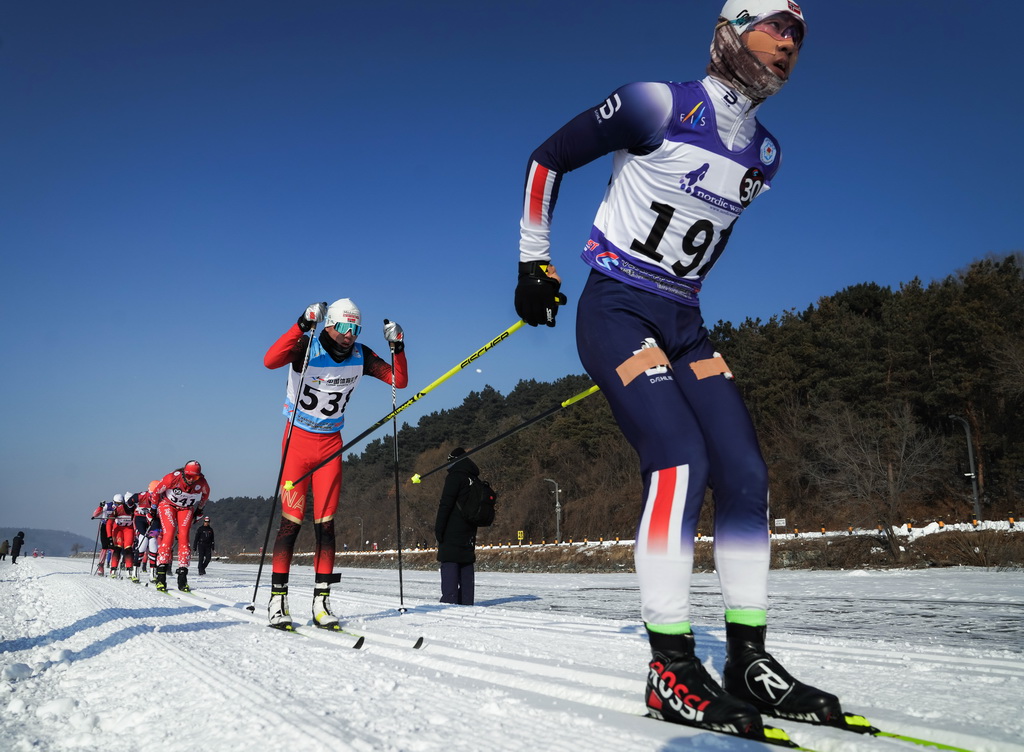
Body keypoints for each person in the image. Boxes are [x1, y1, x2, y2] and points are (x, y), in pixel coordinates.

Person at [513, 0, 842, 741]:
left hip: (684, 323)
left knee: (747, 472)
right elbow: (546, 159)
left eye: (798, 35)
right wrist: (535, 260)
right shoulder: (654, 102)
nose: (788, 43)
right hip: (616, 311)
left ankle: (749, 660)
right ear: (730, 32)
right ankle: (668, 667)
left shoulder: (766, 155)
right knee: (679, 462)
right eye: (774, 27)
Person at [263, 298, 408, 630]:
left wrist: (398, 348)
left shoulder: (361, 355)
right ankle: (278, 600)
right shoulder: (306, 347)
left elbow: (398, 382)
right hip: (297, 443)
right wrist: (300, 323)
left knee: (326, 526)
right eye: (344, 327)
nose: (349, 335)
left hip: (330, 445)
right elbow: (270, 360)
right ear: (329, 323)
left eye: (355, 329)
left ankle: (321, 602)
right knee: (291, 522)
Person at [152, 461, 210, 592]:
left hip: (185, 508)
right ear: (184, 473)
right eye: (188, 476)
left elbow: (206, 495)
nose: (190, 480)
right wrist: (153, 508)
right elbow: (156, 492)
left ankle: (182, 576)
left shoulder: (202, 483)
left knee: (184, 537)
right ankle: (161, 574)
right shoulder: (172, 478)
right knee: (170, 533)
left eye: (194, 477)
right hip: (167, 505)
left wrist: (199, 509)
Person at [434, 447, 478, 605]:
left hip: (452, 529)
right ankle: (467, 601)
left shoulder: (455, 477)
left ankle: (449, 601)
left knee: (450, 560)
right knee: (466, 561)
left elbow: (445, 504)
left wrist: (439, 529)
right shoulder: (474, 479)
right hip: (470, 529)